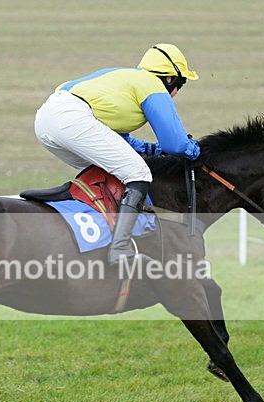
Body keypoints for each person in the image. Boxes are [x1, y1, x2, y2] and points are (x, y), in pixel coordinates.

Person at [35, 43, 201, 265]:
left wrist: (152, 149)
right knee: (138, 174)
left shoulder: (124, 78)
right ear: (170, 79)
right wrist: (195, 149)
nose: (176, 92)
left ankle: (95, 228)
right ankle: (119, 249)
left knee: (109, 169)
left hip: (46, 119)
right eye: (181, 84)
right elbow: (176, 144)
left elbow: (119, 140)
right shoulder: (153, 85)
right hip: (72, 118)